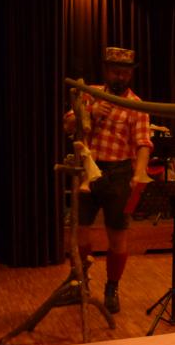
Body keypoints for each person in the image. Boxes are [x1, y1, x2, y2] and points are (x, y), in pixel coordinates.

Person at [64, 46, 155, 314]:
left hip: (119, 174)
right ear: (106, 70)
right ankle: (80, 279)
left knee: (117, 235)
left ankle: (112, 288)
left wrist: (139, 174)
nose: (120, 77)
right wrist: (90, 113)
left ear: (131, 74)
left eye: (125, 73)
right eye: (115, 72)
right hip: (87, 169)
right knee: (79, 231)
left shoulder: (137, 104)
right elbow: (67, 125)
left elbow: (143, 143)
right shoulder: (89, 93)